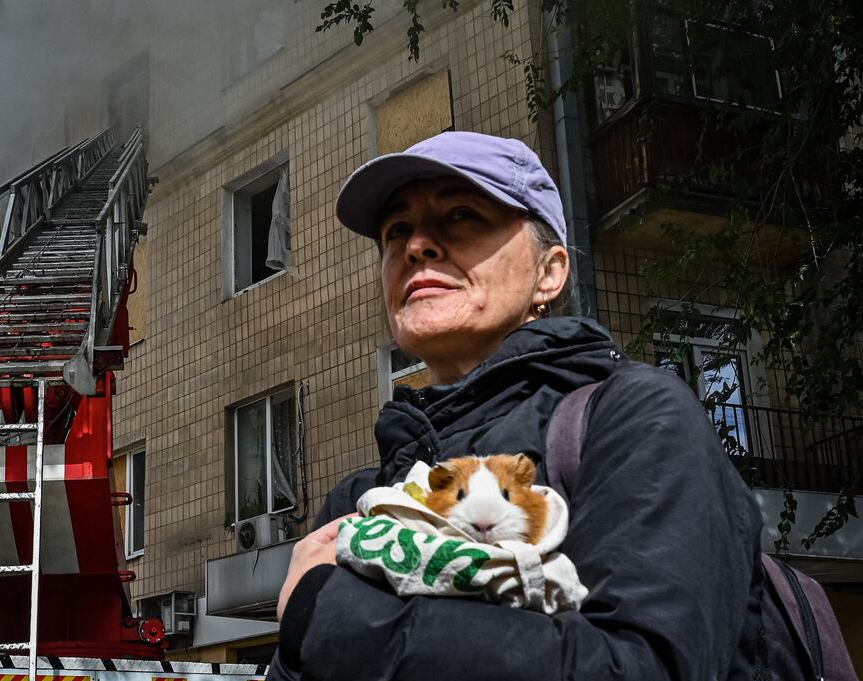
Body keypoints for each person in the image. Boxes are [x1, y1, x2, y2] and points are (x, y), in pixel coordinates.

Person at [266, 131, 764, 680]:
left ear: (549, 272)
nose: (416, 246)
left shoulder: (634, 419)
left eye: (461, 215)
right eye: (397, 230)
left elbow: (645, 668)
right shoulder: (363, 499)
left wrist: (325, 614)